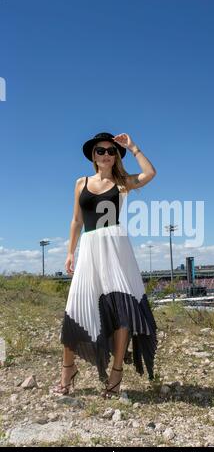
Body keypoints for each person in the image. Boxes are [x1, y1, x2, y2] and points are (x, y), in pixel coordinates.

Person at [53, 132, 158, 398]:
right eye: (100, 151)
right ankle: (68, 370)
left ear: (116, 156)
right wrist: (70, 252)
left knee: (123, 311)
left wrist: (133, 147)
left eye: (111, 151)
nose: (106, 155)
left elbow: (150, 173)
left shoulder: (122, 183)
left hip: (116, 249)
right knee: (76, 307)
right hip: (89, 249)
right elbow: (76, 221)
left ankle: (116, 375)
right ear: (93, 155)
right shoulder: (81, 183)